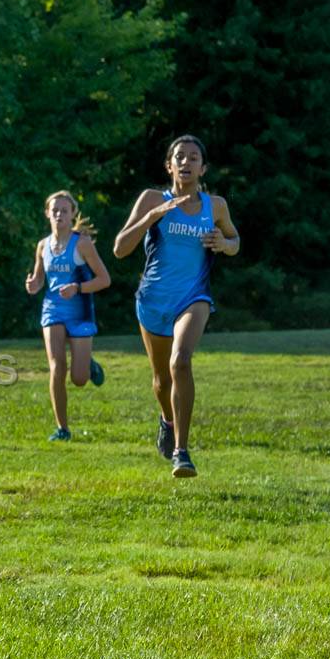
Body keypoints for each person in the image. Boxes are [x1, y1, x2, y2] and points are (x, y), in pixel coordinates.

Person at [113, 135, 240, 477]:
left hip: (193, 297)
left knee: (180, 362)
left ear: (203, 167)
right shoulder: (153, 199)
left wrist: (223, 243)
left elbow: (235, 240)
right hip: (153, 300)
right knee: (160, 380)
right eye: (179, 157)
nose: (186, 162)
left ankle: (182, 452)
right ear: (169, 165)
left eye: (193, 157)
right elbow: (120, 249)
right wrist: (152, 216)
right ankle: (167, 421)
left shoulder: (216, 206)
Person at [25, 191, 110, 441]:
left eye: (64, 210)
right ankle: (62, 429)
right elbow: (40, 279)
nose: (59, 214)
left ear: (72, 214)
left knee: (79, 379)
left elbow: (104, 280)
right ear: (47, 214)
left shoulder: (82, 243)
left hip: (80, 310)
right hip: (52, 309)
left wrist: (78, 288)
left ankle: (89, 365)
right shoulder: (42, 245)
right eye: (55, 210)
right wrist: (33, 285)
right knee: (56, 367)